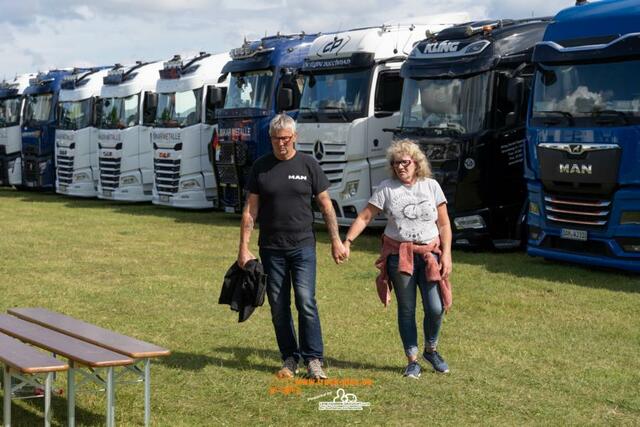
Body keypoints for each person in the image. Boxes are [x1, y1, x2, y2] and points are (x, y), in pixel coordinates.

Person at [237, 113, 348, 380]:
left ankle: (314, 360)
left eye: (286, 139)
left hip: (303, 247)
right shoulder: (261, 167)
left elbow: (326, 206)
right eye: (276, 139)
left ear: (295, 137)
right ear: (270, 139)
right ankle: (289, 358)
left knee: (306, 301)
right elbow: (250, 210)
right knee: (278, 306)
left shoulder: (309, 164)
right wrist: (243, 247)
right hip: (272, 248)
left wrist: (335, 240)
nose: (281, 144)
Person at [343, 139, 453, 379]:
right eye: (395, 164)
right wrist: (347, 241)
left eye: (404, 162)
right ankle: (412, 359)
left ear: (416, 162)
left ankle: (431, 350)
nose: (400, 167)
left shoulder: (431, 186)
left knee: (435, 308)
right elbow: (365, 217)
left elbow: (443, 223)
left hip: (430, 256)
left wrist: (446, 254)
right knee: (407, 308)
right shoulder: (386, 188)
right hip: (400, 257)